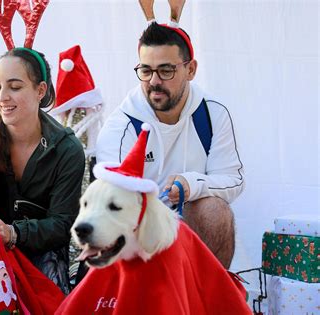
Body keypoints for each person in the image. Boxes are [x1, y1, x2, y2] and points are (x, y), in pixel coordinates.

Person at [96, 22, 245, 269]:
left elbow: (233, 180)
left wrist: (192, 184)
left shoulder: (212, 114)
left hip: (192, 226)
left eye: (166, 70)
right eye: (146, 70)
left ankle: (207, 300)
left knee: (216, 211)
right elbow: (114, 202)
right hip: (139, 233)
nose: (154, 81)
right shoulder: (121, 126)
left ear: (191, 69)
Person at [0, 48, 86, 294]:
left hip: (42, 257)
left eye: (14, 87)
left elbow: (62, 224)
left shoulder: (67, 149)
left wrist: (13, 233)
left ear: (40, 90)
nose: (3, 96)